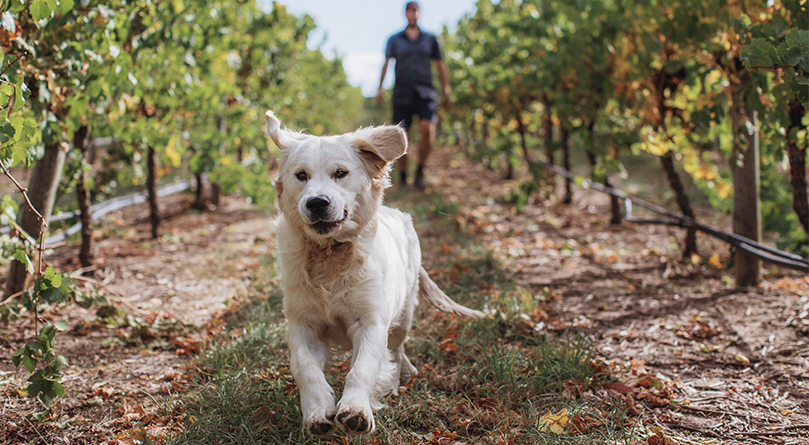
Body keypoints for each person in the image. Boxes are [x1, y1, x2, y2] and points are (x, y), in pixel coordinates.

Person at [376, 1, 450, 189]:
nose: (412, 14)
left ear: (419, 13)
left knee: (427, 129)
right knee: (403, 136)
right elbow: (386, 63)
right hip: (402, 92)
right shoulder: (394, 40)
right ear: (405, 14)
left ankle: (420, 171)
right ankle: (402, 177)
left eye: (415, 11)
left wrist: (446, 87)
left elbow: (440, 64)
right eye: (410, 11)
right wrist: (380, 87)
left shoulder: (430, 39)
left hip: (425, 91)